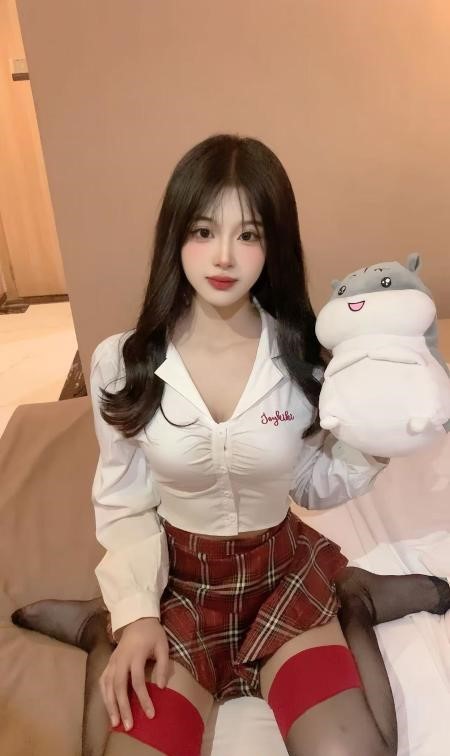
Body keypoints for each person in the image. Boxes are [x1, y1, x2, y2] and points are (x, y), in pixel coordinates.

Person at [11, 134, 450, 756]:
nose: (223, 256)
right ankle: (99, 621)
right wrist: (136, 616)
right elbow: (123, 502)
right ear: (175, 236)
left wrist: (377, 442)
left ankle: (349, 594)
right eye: (203, 231)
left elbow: (309, 484)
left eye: (248, 234)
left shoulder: (303, 357)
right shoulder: (123, 363)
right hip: (176, 588)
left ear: (273, 245)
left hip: (280, 576)